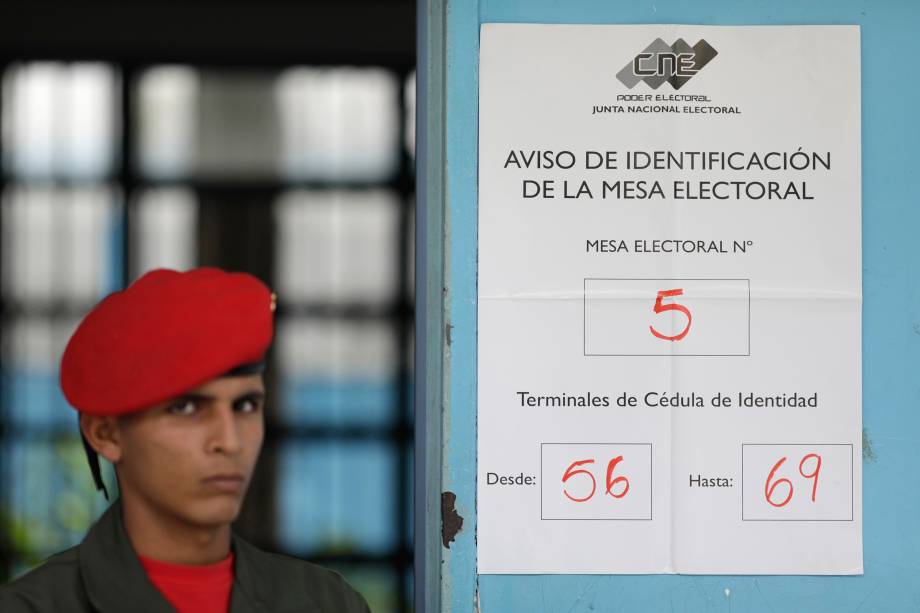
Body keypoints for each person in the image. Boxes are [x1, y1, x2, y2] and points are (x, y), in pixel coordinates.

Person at [0, 267, 371, 613]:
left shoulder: (327, 602)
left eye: (245, 405)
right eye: (186, 408)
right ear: (105, 433)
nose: (229, 441)